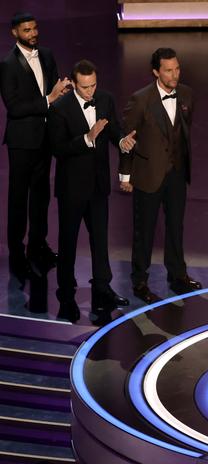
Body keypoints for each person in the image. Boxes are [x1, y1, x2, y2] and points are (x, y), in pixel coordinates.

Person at [48, 60, 134, 322]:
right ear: (74, 83)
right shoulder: (60, 108)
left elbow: (114, 128)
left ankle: (102, 287)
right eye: (85, 87)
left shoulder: (105, 99)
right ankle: (66, 294)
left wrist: (121, 140)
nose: (90, 92)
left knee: (100, 239)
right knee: (68, 242)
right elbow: (57, 148)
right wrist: (87, 138)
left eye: (94, 85)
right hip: (72, 189)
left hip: (98, 186)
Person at [119, 47, 202, 303]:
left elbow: (183, 131)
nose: (174, 74)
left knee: (175, 226)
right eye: (168, 70)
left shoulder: (187, 94)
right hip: (148, 174)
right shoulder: (140, 99)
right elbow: (127, 138)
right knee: (144, 231)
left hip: (176, 173)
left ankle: (177, 275)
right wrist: (125, 175)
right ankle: (139, 281)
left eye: (177, 69)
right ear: (156, 72)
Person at [0, 12, 70, 281]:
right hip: (21, 143)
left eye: (35, 28)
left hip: (45, 139)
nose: (33, 34)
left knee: (41, 197)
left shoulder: (48, 55)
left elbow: (53, 92)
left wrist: (61, 91)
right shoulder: (8, 64)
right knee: (18, 201)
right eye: (27, 30)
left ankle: (38, 247)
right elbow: (14, 107)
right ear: (15, 33)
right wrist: (48, 99)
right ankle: (17, 256)